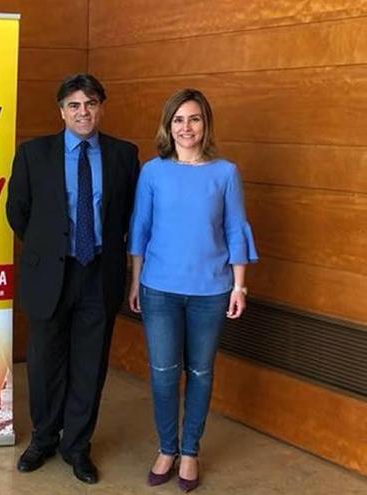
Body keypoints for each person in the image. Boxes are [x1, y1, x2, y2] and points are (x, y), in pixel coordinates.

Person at [6, 73, 140, 484]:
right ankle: (43, 438)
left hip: (99, 272)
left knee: (90, 364)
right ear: (61, 111)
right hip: (50, 273)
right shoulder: (34, 153)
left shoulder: (123, 155)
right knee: (45, 362)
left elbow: (131, 215)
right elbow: (18, 210)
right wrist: (48, 248)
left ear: (101, 107)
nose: (84, 112)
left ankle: (77, 446)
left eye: (91, 103)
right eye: (74, 105)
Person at [128, 88, 257, 492]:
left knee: (200, 373)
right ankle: (166, 448)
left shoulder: (225, 173)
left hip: (212, 292)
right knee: (164, 375)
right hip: (159, 290)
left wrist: (240, 286)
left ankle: (189, 452)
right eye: (179, 119)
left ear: (206, 124)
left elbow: (236, 229)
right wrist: (135, 280)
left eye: (195, 118)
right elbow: (139, 229)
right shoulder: (152, 171)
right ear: (169, 125)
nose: (186, 127)